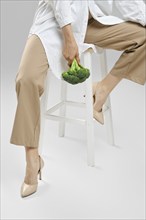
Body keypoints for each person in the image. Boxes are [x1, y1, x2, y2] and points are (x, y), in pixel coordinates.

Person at [10, 0, 146, 198]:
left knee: (143, 38)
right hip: (52, 24)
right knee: (26, 79)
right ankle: (32, 160)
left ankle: (101, 90)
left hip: (87, 23)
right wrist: (69, 38)